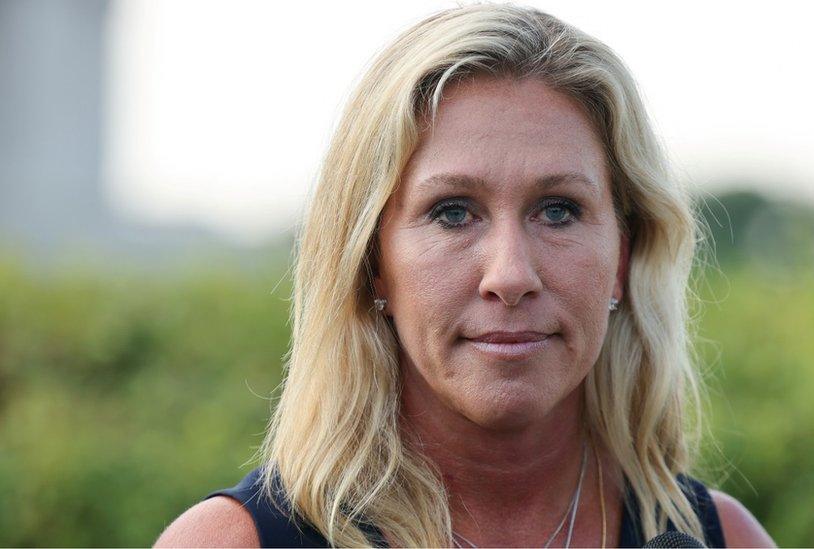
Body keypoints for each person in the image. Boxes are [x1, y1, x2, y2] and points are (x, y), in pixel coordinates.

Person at [156, 4, 775, 547]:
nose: (510, 275)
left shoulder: (724, 540)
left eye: (558, 210)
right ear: (372, 263)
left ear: (621, 258)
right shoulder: (231, 544)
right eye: (453, 213)